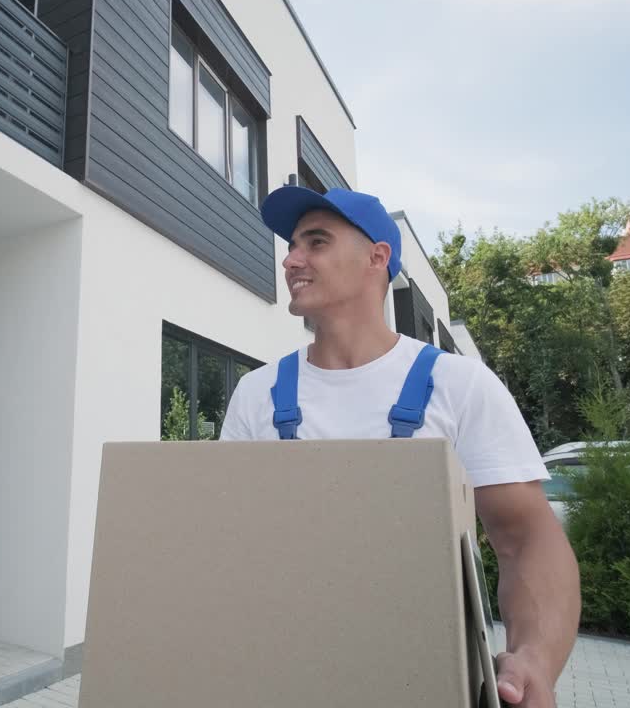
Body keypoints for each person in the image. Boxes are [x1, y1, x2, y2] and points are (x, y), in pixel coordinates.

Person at [220, 186, 581, 708]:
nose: (291, 259)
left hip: (425, 683)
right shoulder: (257, 395)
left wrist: (535, 659)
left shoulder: (459, 386)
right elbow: (229, 546)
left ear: (377, 257)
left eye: (315, 242)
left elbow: (526, 540)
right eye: (291, 245)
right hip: (280, 676)